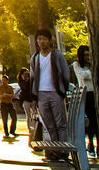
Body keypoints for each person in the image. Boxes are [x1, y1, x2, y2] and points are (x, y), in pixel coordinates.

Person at [28, 28, 70, 161]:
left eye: (44, 39)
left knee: (60, 123)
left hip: (55, 92)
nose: (41, 41)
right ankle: (53, 151)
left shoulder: (57, 55)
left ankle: (63, 150)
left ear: (50, 40)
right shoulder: (35, 57)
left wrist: (63, 90)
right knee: (49, 124)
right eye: (39, 39)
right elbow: (33, 77)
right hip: (41, 94)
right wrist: (34, 97)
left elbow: (65, 73)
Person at [69, 45, 96, 156]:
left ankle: (95, 144)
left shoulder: (93, 64)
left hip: (95, 93)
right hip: (86, 94)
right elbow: (83, 76)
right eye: (85, 55)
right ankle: (91, 143)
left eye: (88, 54)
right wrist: (91, 70)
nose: (87, 57)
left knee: (96, 121)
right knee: (92, 119)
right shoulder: (77, 65)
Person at [16, 68, 37, 146]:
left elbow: (33, 87)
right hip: (25, 100)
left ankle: (35, 128)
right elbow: (24, 87)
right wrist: (25, 79)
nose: (26, 75)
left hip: (32, 99)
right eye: (25, 74)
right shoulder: (21, 81)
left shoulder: (32, 80)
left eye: (27, 74)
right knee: (28, 116)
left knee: (35, 114)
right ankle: (30, 130)